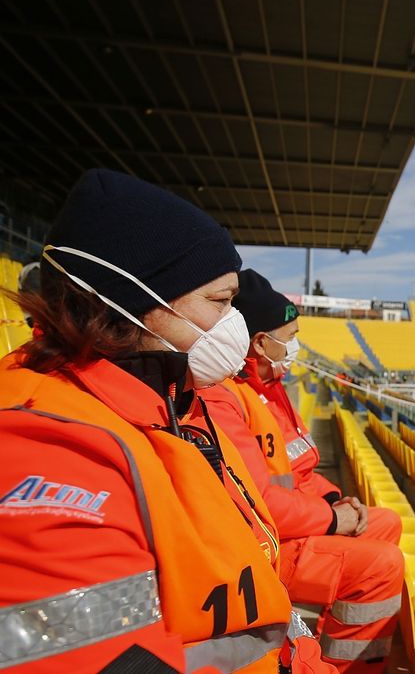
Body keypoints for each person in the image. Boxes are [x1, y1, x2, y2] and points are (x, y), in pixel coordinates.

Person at [0, 169, 324, 671]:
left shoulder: (170, 400)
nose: (235, 324)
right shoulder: (45, 447)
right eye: (220, 302)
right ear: (130, 303)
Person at [202, 270, 404, 672]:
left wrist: (334, 499)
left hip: (290, 523)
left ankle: (328, 647)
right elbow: (259, 504)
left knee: (385, 523)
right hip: (266, 545)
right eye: (290, 336)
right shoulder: (230, 398)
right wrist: (333, 518)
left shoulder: (270, 391)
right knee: (382, 564)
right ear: (261, 343)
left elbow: (301, 471)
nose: (295, 345)